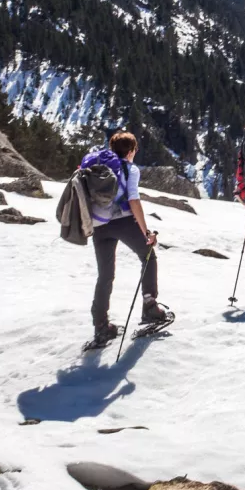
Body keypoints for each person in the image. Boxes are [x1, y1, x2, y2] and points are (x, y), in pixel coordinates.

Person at [89, 131, 165, 347]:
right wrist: (146, 232)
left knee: (105, 275)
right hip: (123, 221)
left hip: (98, 225)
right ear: (132, 151)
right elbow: (133, 200)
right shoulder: (130, 169)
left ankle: (101, 326)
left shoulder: (98, 168)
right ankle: (150, 307)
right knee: (148, 255)